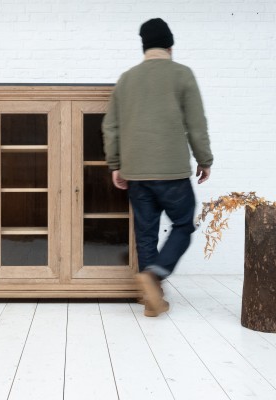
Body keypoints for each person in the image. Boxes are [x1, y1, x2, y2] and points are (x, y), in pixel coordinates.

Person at [102, 18, 213, 317]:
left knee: (146, 233)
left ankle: (151, 297)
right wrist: (205, 160)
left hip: (135, 172)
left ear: (144, 47)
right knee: (183, 224)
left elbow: (110, 126)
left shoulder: (126, 79)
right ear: (170, 46)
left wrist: (115, 164)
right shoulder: (182, 75)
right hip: (172, 172)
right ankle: (155, 276)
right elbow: (196, 124)